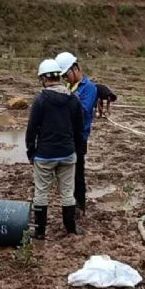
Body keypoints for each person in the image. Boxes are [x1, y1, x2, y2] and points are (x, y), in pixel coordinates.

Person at [25, 58, 85, 238]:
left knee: (41, 192)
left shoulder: (40, 100)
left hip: (44, 155)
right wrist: (75, 149)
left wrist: (31, 153)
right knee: (67, 192)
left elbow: (32, 129)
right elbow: (79, 129)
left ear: (43, 78)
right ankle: (70, 228)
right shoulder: (73, 98)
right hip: (67, 154)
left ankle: (40, 231)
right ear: (59, 76)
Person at [55, 51, 97, 214]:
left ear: (76, 68)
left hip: (79, 137)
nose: (65, 79)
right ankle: (70, 201)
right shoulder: (69, 87)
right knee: (66, 172)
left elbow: (84, 111)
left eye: (66, 75)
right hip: (66, 135)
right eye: (63, 77)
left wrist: (69, 100)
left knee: (78, 172)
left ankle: (80, 204)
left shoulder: (89, 88)